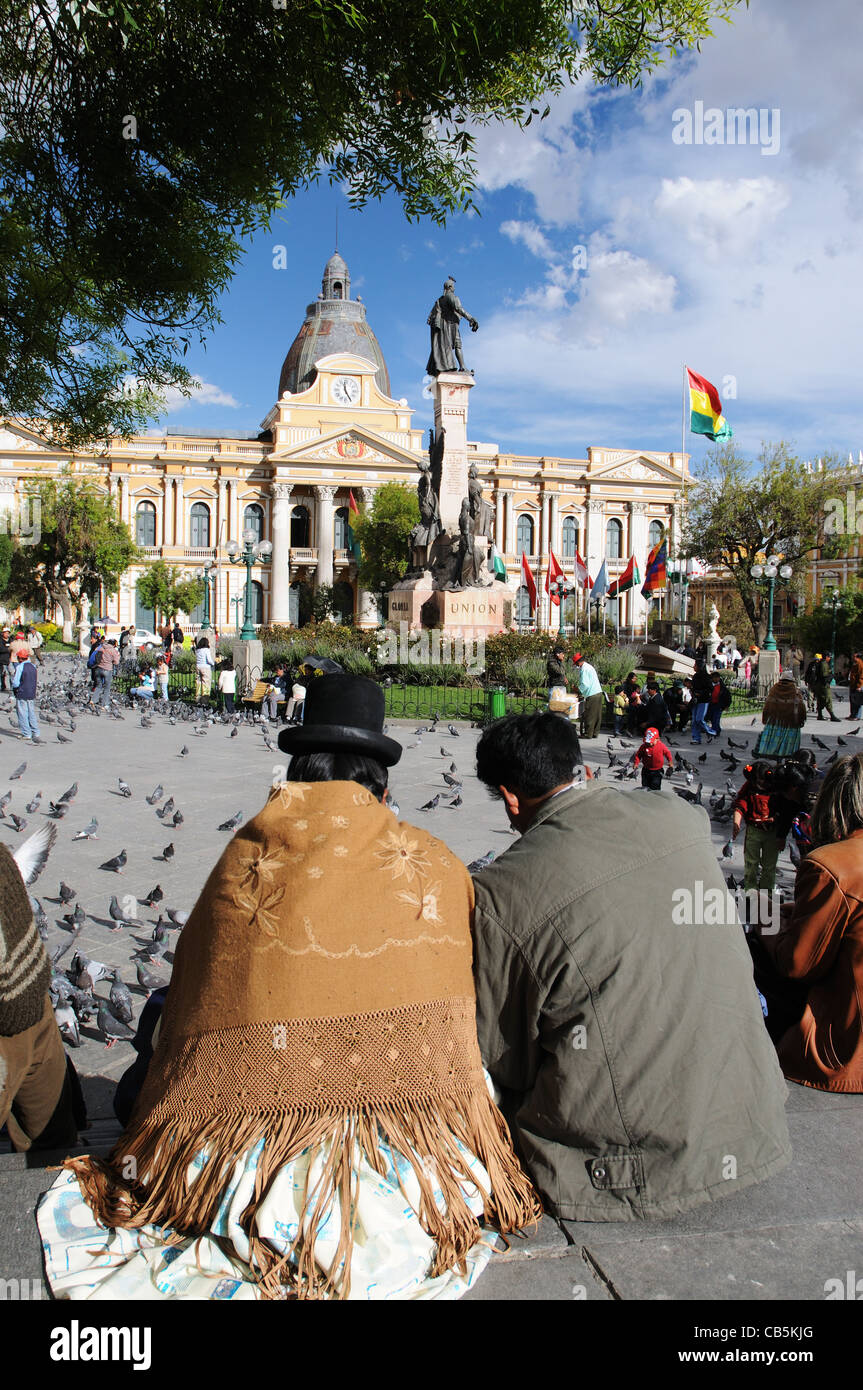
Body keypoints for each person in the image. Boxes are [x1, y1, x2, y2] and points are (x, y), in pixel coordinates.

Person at [43, 675, 539, 1300]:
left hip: (243, 1155)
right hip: (412, 1154)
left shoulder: (244, 856)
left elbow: (198, 980)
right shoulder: (435, 863)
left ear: (295, 775)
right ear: (382, 788)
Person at [469, 712, 791, 1221]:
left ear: (510, 797)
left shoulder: (499, 894)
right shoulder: (677, 814)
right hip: (755, 1121)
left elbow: (505, 1057)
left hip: (623, 1170)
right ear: (581, 768)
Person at [750, 753, 863, 1091]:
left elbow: (798, 963)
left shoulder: (829, 864)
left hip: (844, 1049)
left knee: (753, 945)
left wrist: (764, 915)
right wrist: (797, 911)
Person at [1, 845, 80, 1153]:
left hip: (33, 1006)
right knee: (50, 1136)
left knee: (51, 1132)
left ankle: (50, 1164)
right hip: (28, 1000)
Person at [732, 761, 784, 896]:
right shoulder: (749, 788)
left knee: (769, 864)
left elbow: (784, 809)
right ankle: (750, 891)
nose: (760, 783)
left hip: (772, 832)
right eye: (757, 780)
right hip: (753, 831)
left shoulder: (777, 789)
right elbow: (740, 804)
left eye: (762, 780)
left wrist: (778, 824)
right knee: (751, 863)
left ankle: (767, 891)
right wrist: (736, 823)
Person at [426, 276, 479, 376]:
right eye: (453, 286)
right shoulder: (450, 296)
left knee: (456, 345)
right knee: (458, 344)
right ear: (450, 287)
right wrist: (471, 318)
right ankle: (462, 367)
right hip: (450, 326)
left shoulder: (440, 300)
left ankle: (462, 367)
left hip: (448, 326)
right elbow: (459, 308)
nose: (454, 288)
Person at [755, 673, 807, 758]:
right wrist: (801, 720)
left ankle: (772, 753)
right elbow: (801, 708)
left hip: (775, 721)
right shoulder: (795, 691)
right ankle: (787, 754)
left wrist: (765, 719)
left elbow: (767, 705)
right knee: (788, 743)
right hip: (790, 722)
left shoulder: (774, 689)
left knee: (774, 739)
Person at [10, 646, 40, 742]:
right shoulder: (33, 666)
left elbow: (15, 683)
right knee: (31, 713)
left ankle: (26, 733)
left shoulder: (20, 667)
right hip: (31, 693)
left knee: (23, 713)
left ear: (19, 658)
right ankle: (35, 732)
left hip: (22, 692)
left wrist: (15, 689)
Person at [631, 725, 673, 789]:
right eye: (647, 741)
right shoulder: (644, 746)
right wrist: (636, 763)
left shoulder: (661, 746)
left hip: (657, 771)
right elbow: (638, 755)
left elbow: (667, 753)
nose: (649, 743)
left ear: (657, 739)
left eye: (651, 741)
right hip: (646, 770)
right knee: (645, 786)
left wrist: (670, 762)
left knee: (655, 786)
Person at [573, 651, 603, 738]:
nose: (576, 666)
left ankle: (588, 734)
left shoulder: (584, 669)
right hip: (598, 692)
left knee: (590, 714)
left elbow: (585, 684)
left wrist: (578, 690)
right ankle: (595, 732)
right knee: (597, 714)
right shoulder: (589, 666)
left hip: (592, 694)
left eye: (576, 664)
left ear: (578, 662)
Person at [806, 652, 839, 721]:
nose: (829, 659)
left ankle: (820, 715)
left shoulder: (819, 663)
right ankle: (832, 715)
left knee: (820, 700)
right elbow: (824, 676)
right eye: (829, 657)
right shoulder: (824, 664)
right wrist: (831, 676)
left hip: (818, 684)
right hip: (823, 685)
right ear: (826, 657)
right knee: (828, 699)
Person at [690, 659, 716, 744]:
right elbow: (693, 687)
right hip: (695, 700)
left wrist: (701, 693)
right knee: (694, 720)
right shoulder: (695, 676)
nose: (694, 667)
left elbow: (710, 689)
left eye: (695, 665)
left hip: (703, 701)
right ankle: (696, 738)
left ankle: (711, 732)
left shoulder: (706, 677)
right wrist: (693, 692)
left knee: (699, 719)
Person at [92, 637, 120, 707]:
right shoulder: (113, 651)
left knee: (98, 685)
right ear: (114, 644)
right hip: (107, 670)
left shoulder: (101, 648)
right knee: (107, 688)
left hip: (98, 669)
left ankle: (93, 700)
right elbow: (116, 662)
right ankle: (104, 704)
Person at [194, 635, 214, 699]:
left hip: (198, 666)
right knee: (206, 684)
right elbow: (209, 660)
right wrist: (213, 663)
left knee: (198, 683)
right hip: (205, 667)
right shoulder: (206, 650)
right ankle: (205, 699)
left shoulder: (197, 650)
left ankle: (198, 698)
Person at [848, 651, 863, 720]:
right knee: (853, 700)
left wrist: (859, 686)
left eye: (854, 656)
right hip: (853, 685)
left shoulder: (860, 664)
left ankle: (857, 716)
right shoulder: (855, 664)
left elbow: (861, 676)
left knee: (857, 701)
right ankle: (852, 715)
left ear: (858, 657)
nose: (853, 657)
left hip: (857, 685)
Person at [0, 626, 11, 692]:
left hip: (9, 659)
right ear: (2, 633)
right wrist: (8, 649)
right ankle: (2, 686)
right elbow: (1, 649)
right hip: (2, 660)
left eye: (8, 633)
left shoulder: (10, 640)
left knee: (11, 674)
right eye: (6, 633)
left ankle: (13, 688)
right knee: (2, 674)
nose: (7, 634)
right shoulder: (0, 640)